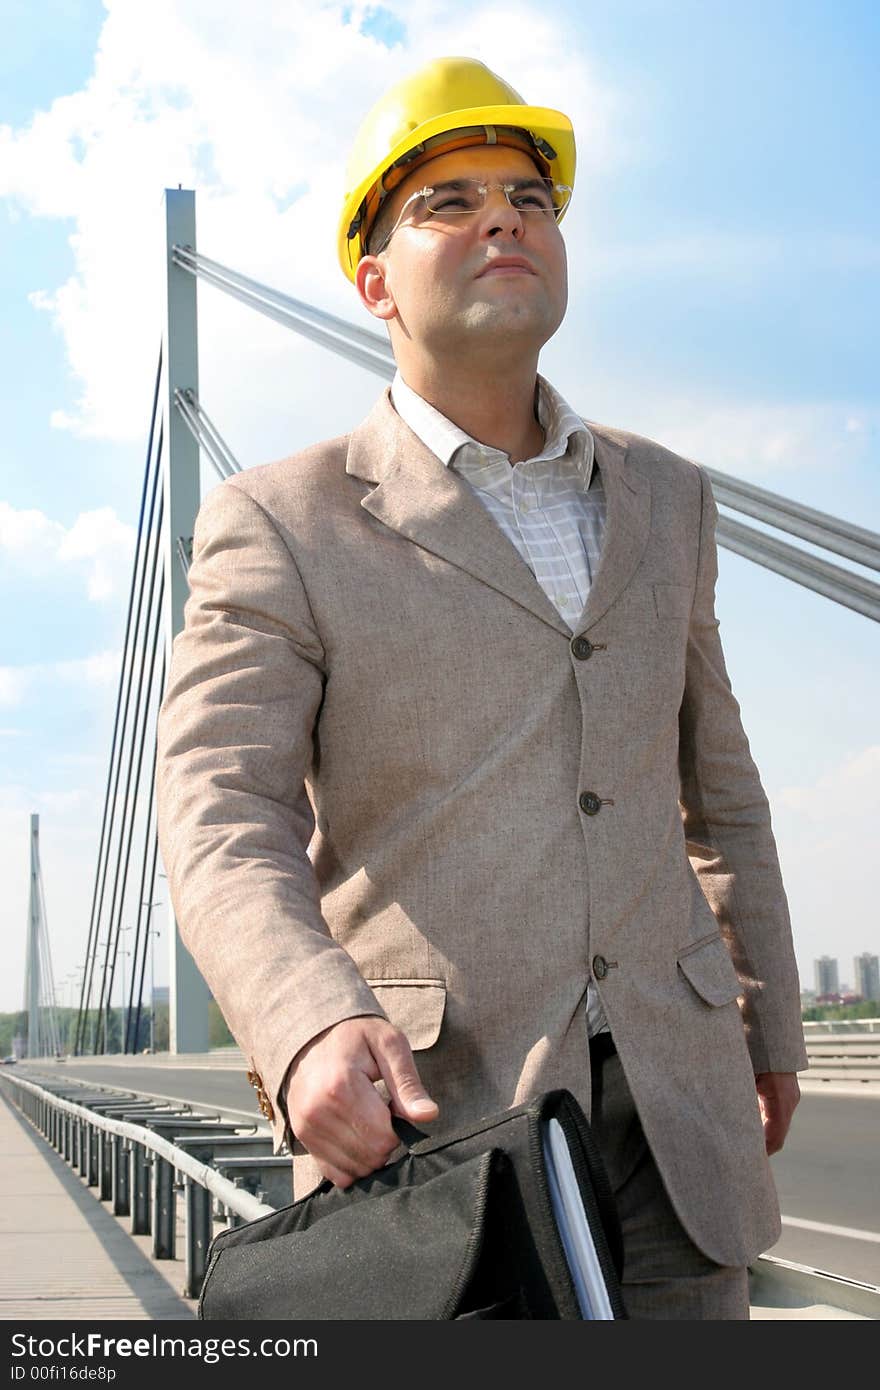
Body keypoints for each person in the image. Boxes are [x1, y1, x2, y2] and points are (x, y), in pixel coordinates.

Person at [155, 56, 807, 1319]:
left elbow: (720, 801)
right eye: (446, 202)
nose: (502, 216)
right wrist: (299, 1027)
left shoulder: (670, 496)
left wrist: (770, 1026)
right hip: (438, 1137)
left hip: (681, 1127)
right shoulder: (276, 520)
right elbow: (220, 808)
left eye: (528, 196)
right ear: (373, 284)